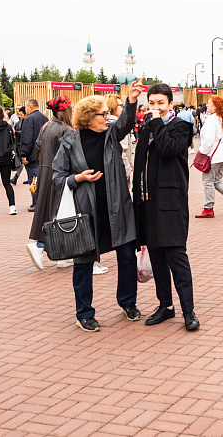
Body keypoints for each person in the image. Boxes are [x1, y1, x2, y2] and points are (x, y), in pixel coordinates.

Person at [52, 84, 142, 333]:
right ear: (88, 118)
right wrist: (78, 178)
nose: (108, 117)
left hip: (117, 209)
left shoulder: (112, 134)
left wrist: (131, 100)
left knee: (126, 257)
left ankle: (128, 302)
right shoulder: (70, 141)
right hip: (86, 213)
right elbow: (57, 177)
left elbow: (125, 122)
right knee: (83, 264)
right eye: (103, 114)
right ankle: (85, 313)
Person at [132, 83, 198, 331]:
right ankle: (165, 306)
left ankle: (188, 310)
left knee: (176, 257)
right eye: (152, 103)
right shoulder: (148, 126)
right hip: (147, 201)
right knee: (157, 258)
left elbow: (169, 149)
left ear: (171, 104)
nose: (155, 107)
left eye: (161, 103)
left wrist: (157, 121)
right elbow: (140, 161)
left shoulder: (181, 126)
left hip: (171, 203)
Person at [27, 97, 75, 270]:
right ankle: (41, 246)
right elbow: (70, 156)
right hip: (60, 174)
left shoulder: (46, 126)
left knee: (49, 211)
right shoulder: (67, 130)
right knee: (60, 213)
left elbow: (38, 148)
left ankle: (62, 253)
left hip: (45, 171)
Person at [20, 99, 48, 212]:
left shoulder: (29, 119)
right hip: (44, 154)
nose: (25, 109)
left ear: (30, 107)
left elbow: (27, 137)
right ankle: (42, 203)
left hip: (32, 155)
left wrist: (24, 154)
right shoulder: (45, 118)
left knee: (33, 180)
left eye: (26, 107)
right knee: (42, 179)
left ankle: (36, 203)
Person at [10, 106, 26, 183]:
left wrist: (15, 132)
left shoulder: (26, 121)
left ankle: (16, 177)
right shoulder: (18, 121)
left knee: (23, 161)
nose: (19, 116)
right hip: (19, 143)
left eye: (21, 114)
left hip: (23, 144)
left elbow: (24, 133)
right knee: (22, 162)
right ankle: (16, 177)